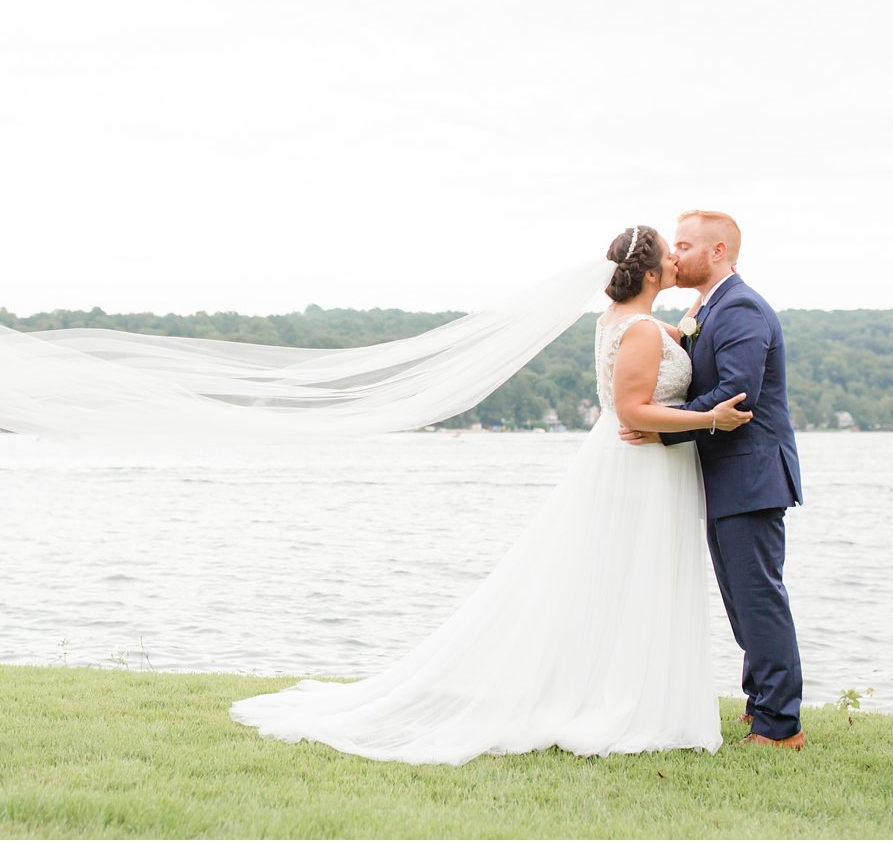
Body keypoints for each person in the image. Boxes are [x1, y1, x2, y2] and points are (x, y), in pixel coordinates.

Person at [228, 225, 751, 765]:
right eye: (669, 256)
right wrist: (709, 417)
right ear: (648, 273)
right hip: (641, 464)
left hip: (639, 464)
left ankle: (618, 689)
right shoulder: (639, 330)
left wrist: (691, 324)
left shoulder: (623, 322)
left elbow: (666, 351)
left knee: (622, 580)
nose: (675, 262)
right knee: (635, 578)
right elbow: (630, 411)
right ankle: (623, 700)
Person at [620, 210, 805, 751]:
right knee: (742, 600)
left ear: (718, 250)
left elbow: (736, 394)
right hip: (726, 476)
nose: (674, 255)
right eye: (672, 246)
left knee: (758, 599)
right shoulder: (708, 306)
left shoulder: (741, 306)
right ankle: (762, 708)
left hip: (750, 475)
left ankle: (779, 727)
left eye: (684, 245)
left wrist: (667, 432)